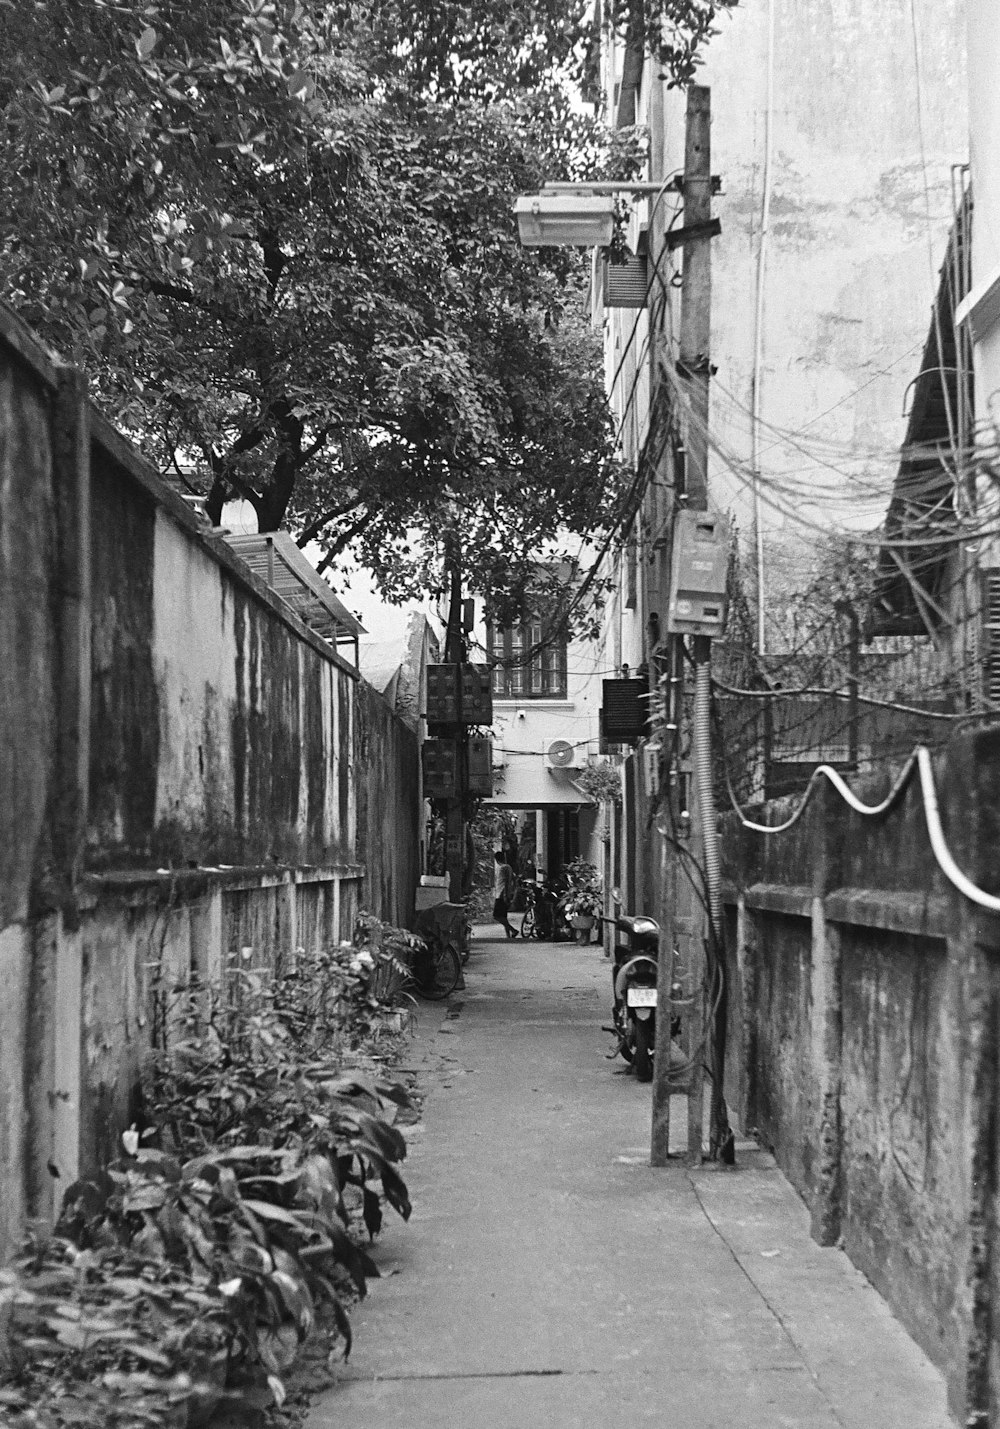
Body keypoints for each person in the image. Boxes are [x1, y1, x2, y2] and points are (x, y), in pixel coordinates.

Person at [492, 851, 518, 940]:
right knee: (503, 916)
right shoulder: (508, 867)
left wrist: (506, 894)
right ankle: (508, 935)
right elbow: (514, 880)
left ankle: (513, 930)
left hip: (501, 894)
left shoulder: (503, 868)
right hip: (503, 893)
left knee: (497, 916)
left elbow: (506, 882)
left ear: (496, 859)